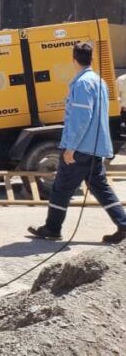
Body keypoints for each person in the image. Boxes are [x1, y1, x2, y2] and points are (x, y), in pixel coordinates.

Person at [29, 41, 126, 244]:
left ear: (74, 59)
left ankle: (53, 228)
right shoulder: (99, 81)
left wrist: (70, 147)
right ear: (91, 59)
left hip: (81, 147)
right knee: (100, 187)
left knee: (62, 187)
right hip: (95, 146)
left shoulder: (82, 83)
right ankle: (123, 224)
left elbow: (81, 118)